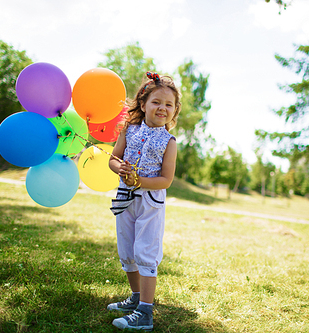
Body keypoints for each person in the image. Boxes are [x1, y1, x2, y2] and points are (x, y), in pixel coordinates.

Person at [107, 71, 181, 331]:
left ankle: (146, 313)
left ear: (174, 111)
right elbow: (113, 158)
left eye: (168, 104)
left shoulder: (169, 142)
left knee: (146, 252)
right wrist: (121, 170)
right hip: (125, 200)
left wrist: (139, 181)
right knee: (127, 250)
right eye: (156, 102)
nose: (162, 108)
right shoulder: (129, 130)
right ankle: (136, 298)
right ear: (142, 104)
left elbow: (165, 180)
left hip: (150, 203)